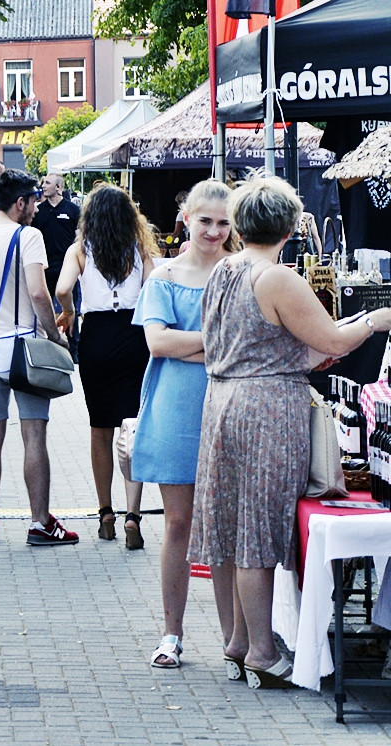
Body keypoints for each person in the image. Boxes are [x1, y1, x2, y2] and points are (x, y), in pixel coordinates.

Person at [188, 177, 391, 689]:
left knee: (232, 526)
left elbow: (231, 342)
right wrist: (374, 319)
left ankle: (236, 641)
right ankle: (261, 649)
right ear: (287, 228)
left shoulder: (225, 270)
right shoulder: (278, 278)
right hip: (265, 408)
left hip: (222, 402)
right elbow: (333, 338)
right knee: (257, 529)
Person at [129, 180, 238, 669]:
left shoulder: (241, 275)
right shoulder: (164, 276)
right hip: (176, 410)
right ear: (187, 218)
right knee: (178, 523)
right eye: (205, 220)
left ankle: (234, 638)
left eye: (223, 222)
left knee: (225, 528)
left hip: (229, 409)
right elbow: (157, 344)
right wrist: (216, 345)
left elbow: (244, 343)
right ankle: (172, 633)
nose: (213, 231)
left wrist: (187, 342)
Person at [0, 168, 78, 547]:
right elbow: (40, 295)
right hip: (25, 350)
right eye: (33, 201)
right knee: (33, 434)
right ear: (19, 202)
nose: (37, 207)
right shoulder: (29, 237)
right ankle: (40, 522)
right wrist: (57, 338)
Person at [56, 184, 155, 548]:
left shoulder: (80, 250)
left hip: (96, 337)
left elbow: (63, 288)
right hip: (134, 336)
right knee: (132, 428)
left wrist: (69, 312)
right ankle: (133, 514)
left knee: (100, 428)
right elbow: (152, 285)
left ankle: (105, 513)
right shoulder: (140, 248)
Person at [32, 173, 82, 361]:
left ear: (59, 187)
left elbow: (80, 236)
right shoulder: (38, 211)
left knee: (70, 307)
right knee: (42, 306)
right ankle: (47, 345)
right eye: (43, 182)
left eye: (47, 183)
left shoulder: (72, 210)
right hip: (45, 266)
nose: (43, 186)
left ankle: (73, 349)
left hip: (67, 266)